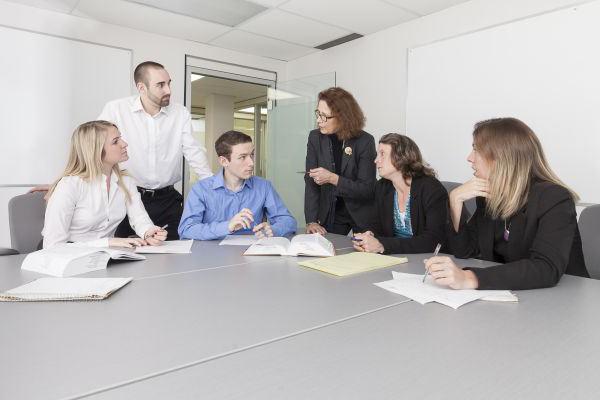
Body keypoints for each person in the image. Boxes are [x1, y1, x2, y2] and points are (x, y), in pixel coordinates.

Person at [424, 117, 589, 290]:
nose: (469, 158)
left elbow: (545, 268)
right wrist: (455, 201)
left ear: (502, 157)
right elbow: (465, 251)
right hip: (514, 295)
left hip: (564, 299)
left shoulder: (554, 198)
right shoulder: (489, 195)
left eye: (476, 150)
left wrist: (468, 277)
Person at [97, 61, 212, 240]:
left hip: (167, 201)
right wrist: (70, 180)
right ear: (141, 87)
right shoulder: (116, 109)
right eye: (160, 85)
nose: (168, 90)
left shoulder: (180, 113)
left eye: (169, 83)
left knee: (174, 254)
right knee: (128, 257)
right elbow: (94, 147)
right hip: (128, 197)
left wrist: (214, 188)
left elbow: (193, 151)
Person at [43, 121, 167, 248]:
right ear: (95, 151)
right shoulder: (69, 185)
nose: (124, 144)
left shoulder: (125, 181)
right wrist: (107, 242)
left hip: (105, 256)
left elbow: (139, 217)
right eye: (115, 141)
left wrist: (148, 232)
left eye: (121, 138)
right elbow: (52, 245)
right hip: (68, 258)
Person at [178, 131, 296, 240]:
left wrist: (273, 230)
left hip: (252, 256)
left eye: (252, 155)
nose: (251, 163)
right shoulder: (201, 190)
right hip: (212, 257)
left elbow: (288, 221)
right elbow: (186, 229)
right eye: (242, 157)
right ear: (224, 161)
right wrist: (227, 226)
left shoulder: (264, 187)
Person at [352, 133, 447, 254]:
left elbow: (433, 241)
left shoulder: (431, 189)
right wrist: (369, 236)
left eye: (382, 154)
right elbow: (375, 225)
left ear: (401, 157)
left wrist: (382, 245)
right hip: (396, 260)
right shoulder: (382, 187)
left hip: (427, 261)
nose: (376, 160)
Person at [304, 87, 376, 236]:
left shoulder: (365, 141)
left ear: (343, 117)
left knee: (363, 255)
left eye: (324, 116)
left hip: (361, 213)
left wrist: (332, 178)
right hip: (330, 211)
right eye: (318, 113)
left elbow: (366, 189)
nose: (318, 120)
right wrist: (311, 220)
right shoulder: (315, 138)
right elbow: (310, 181)